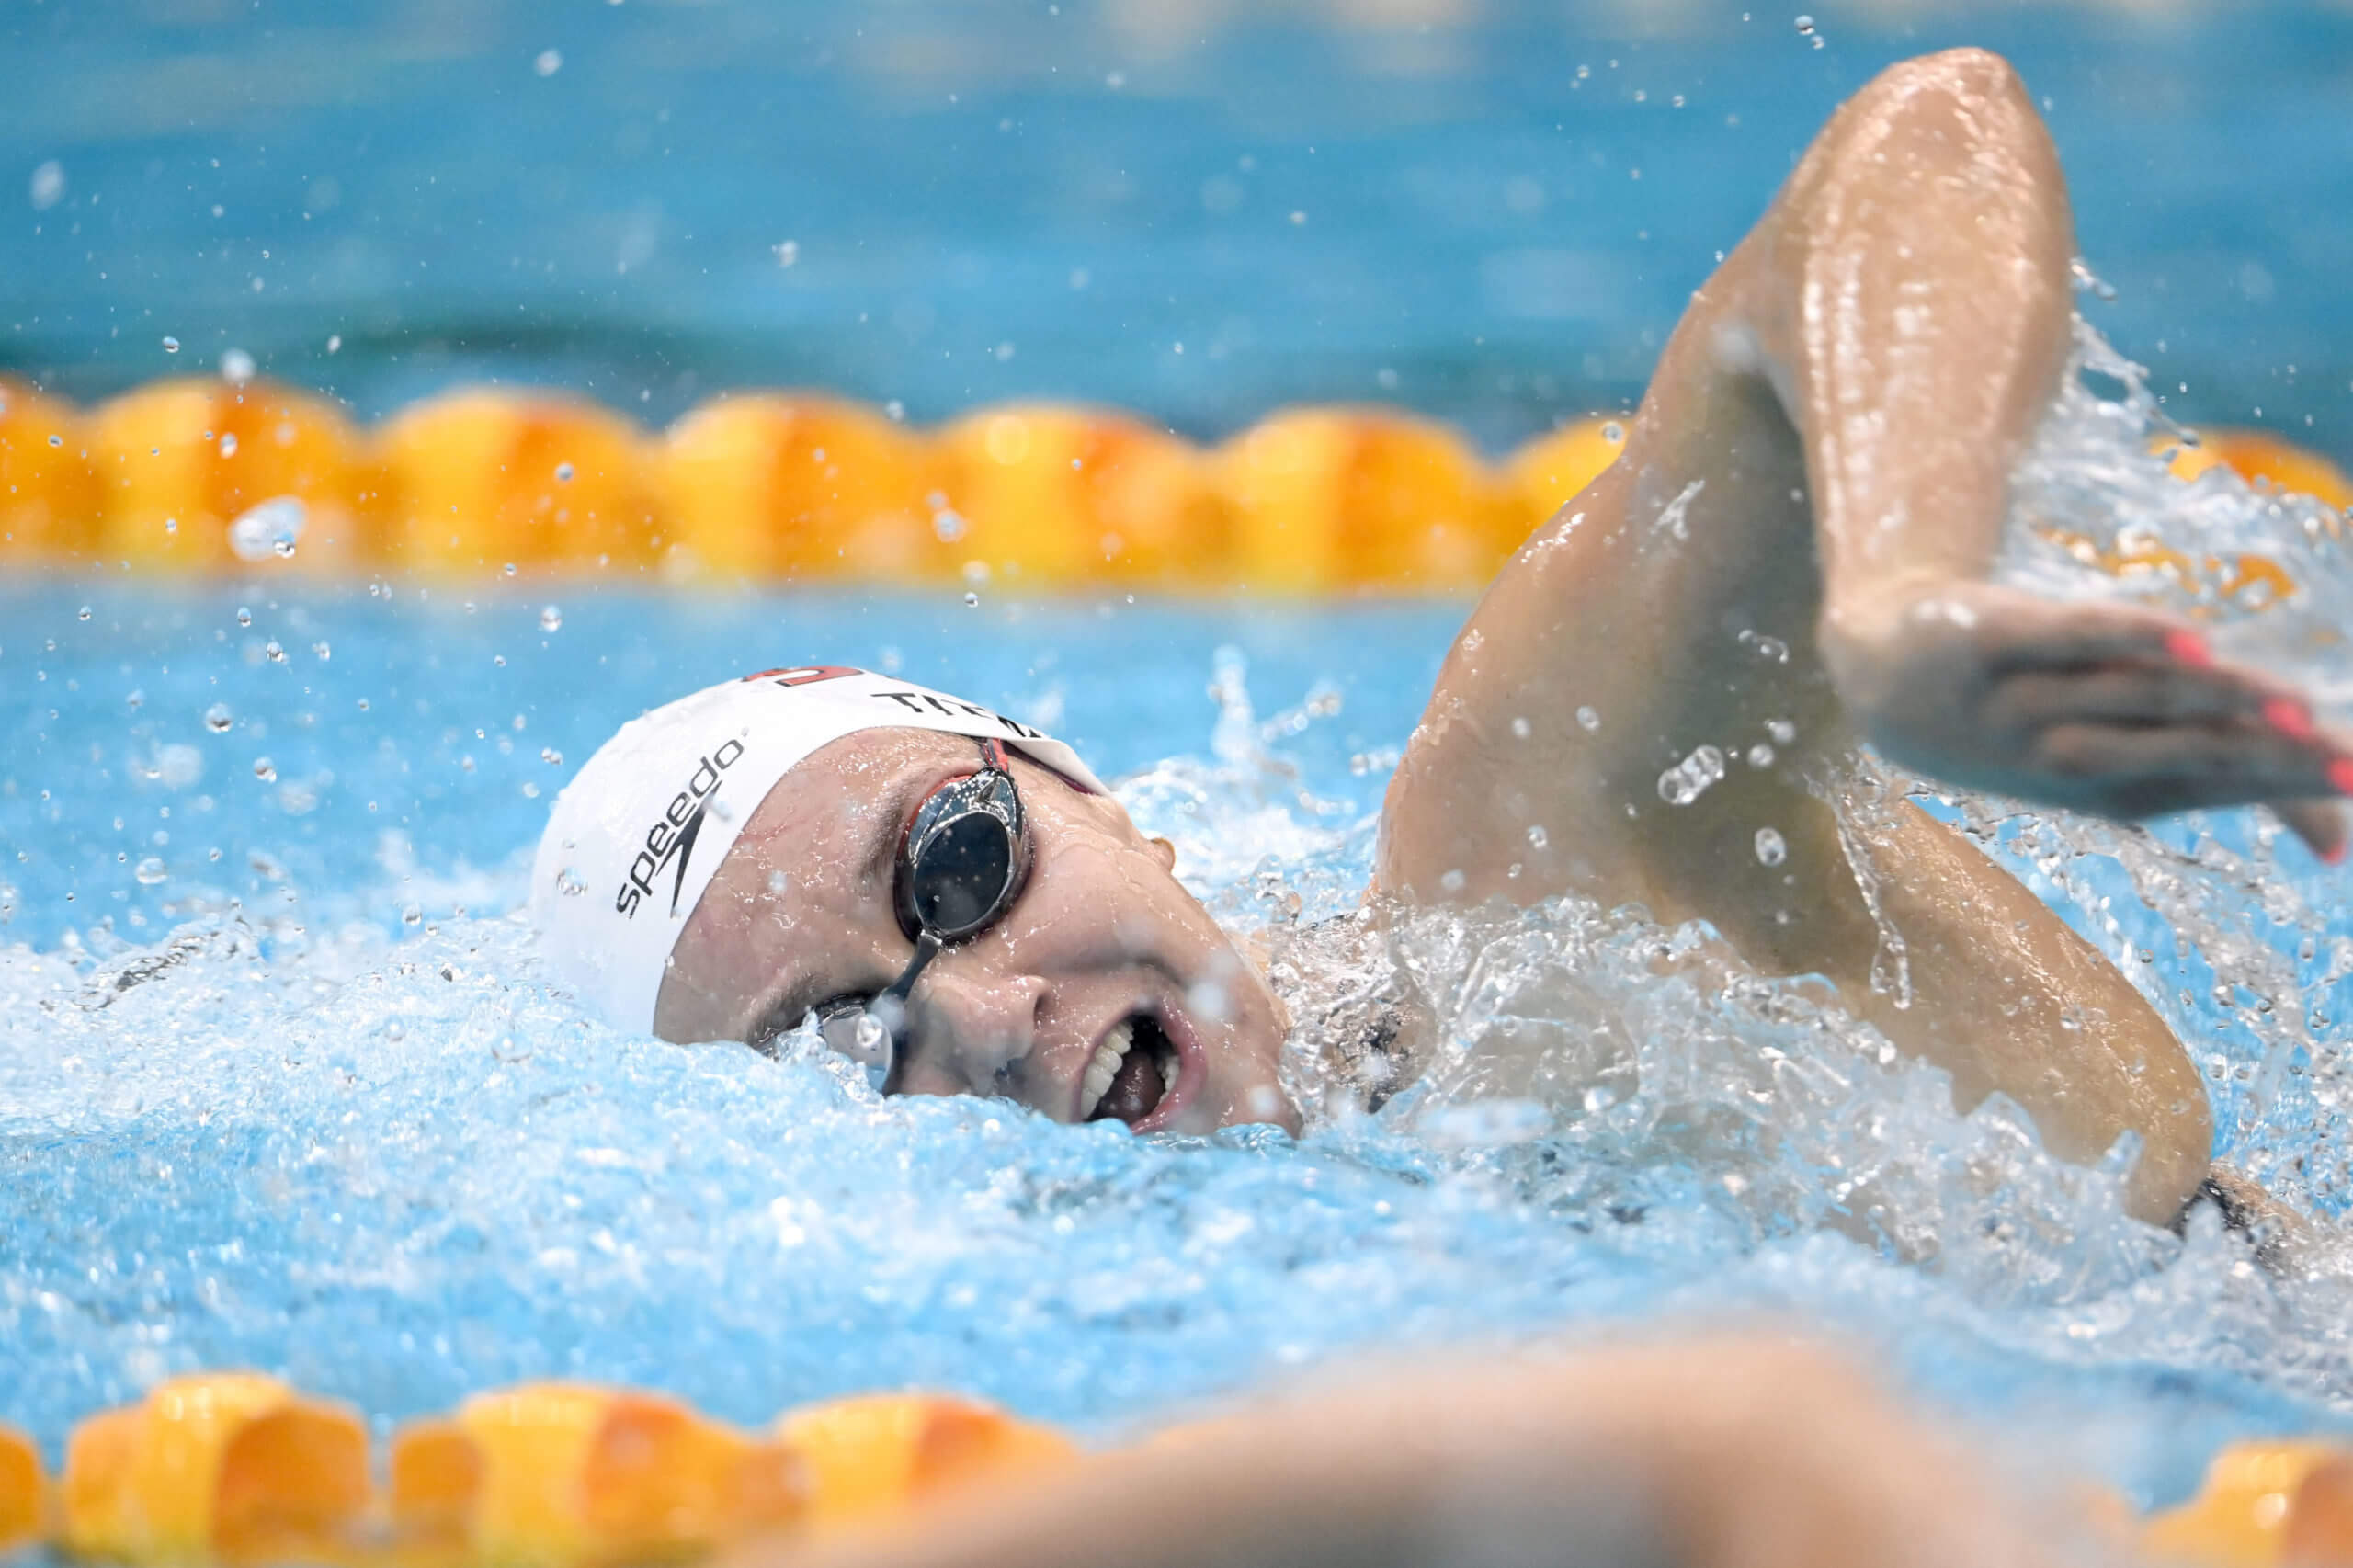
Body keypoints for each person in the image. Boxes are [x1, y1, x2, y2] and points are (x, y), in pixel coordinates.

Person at [534, 48, 2352, 1233]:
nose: (985, 1014)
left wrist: (1909, 594)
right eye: (844, 1045)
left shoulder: (1521, 876)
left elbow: (1922, 139)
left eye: (954, 864)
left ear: (1071, 780)